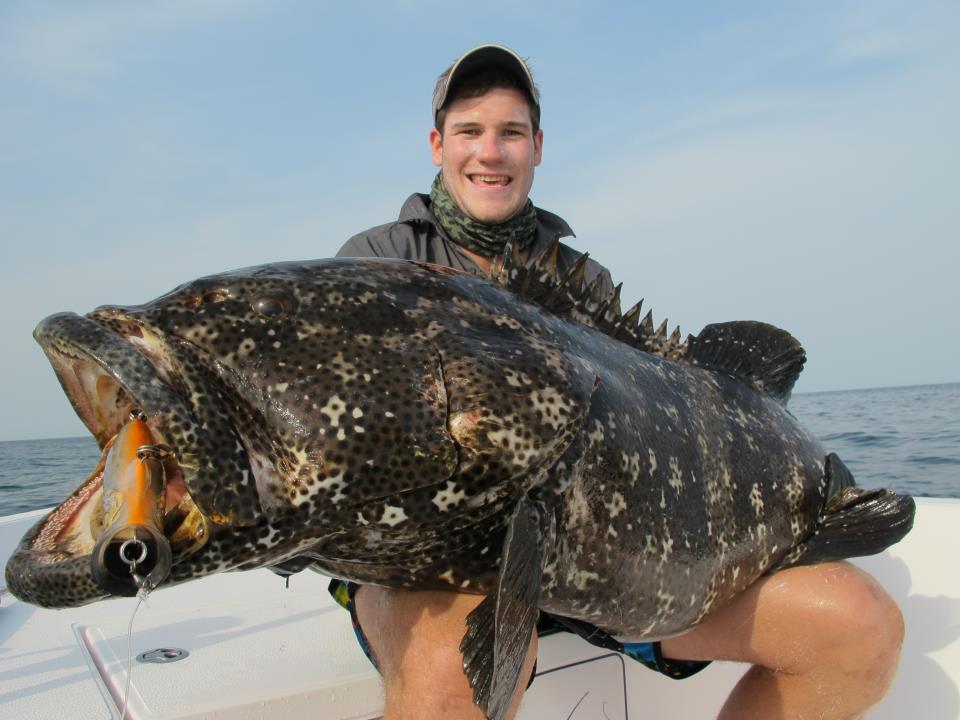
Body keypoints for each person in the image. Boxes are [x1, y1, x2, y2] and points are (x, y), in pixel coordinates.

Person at [333, 44, 905, 720]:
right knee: (459, 671)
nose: (491, 152)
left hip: (594, 574)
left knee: (860, 627)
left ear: (538, 147)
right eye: (470, 132)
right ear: (437, 143)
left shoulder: (585, 286)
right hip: (426, 567)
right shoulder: (374, 266)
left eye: (511, 132)